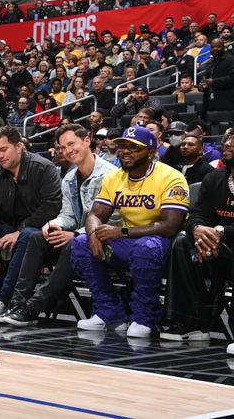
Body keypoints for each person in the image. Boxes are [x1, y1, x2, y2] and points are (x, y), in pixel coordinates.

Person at [72, 126, 189, 337]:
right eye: (123, 146)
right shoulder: (115, 178)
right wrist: (92, 235)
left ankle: (144, 317)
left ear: (151, 153)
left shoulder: (172, 177)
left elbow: (170, 226)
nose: (126, 151)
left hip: (163, 246)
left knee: (146, 246)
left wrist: (122, 232)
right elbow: (95, 215)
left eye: (134, 148)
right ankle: (108, 313)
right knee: (80, 242)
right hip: (128, 244)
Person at [2, 124, 117, 325]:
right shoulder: (69, 178)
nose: (67, 151)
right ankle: (16, 303)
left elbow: (113, 218)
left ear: (87, 141)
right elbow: (68, 215)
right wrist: (53, 224)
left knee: (74, 244)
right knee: (36, 237)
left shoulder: (111, 175)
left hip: (104, 241)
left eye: (71, 144)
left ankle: (34, 307)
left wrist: (77, 234)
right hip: (79, 238)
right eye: (62, 147)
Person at [0, 126, 62, 322]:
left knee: (28, 236)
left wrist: (20, 230)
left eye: (4, 150)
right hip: (11, 229)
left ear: (19, 146)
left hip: (42, 231)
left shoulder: (44, 167)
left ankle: (2, 299)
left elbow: (51, 207)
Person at [161, 133, 234, 352]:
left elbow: (219, 228)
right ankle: (191, 323)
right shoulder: (214, 178)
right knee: (183, 241)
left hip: (224, 241)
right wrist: (199, 230)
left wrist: (220, 231)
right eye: (227, 139)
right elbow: (198, 214)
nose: (228, 143)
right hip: (214, 245)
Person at [201, 38, 234, 112]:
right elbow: (208, 79)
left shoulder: (230, 59)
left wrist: (213, 82)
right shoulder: (210, 62)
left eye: (218, 46)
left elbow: (232, 78)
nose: (215, 49)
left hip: (227, 102)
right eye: (212, 47)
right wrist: (203, 85)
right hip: (211, 102)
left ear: (224, 48)